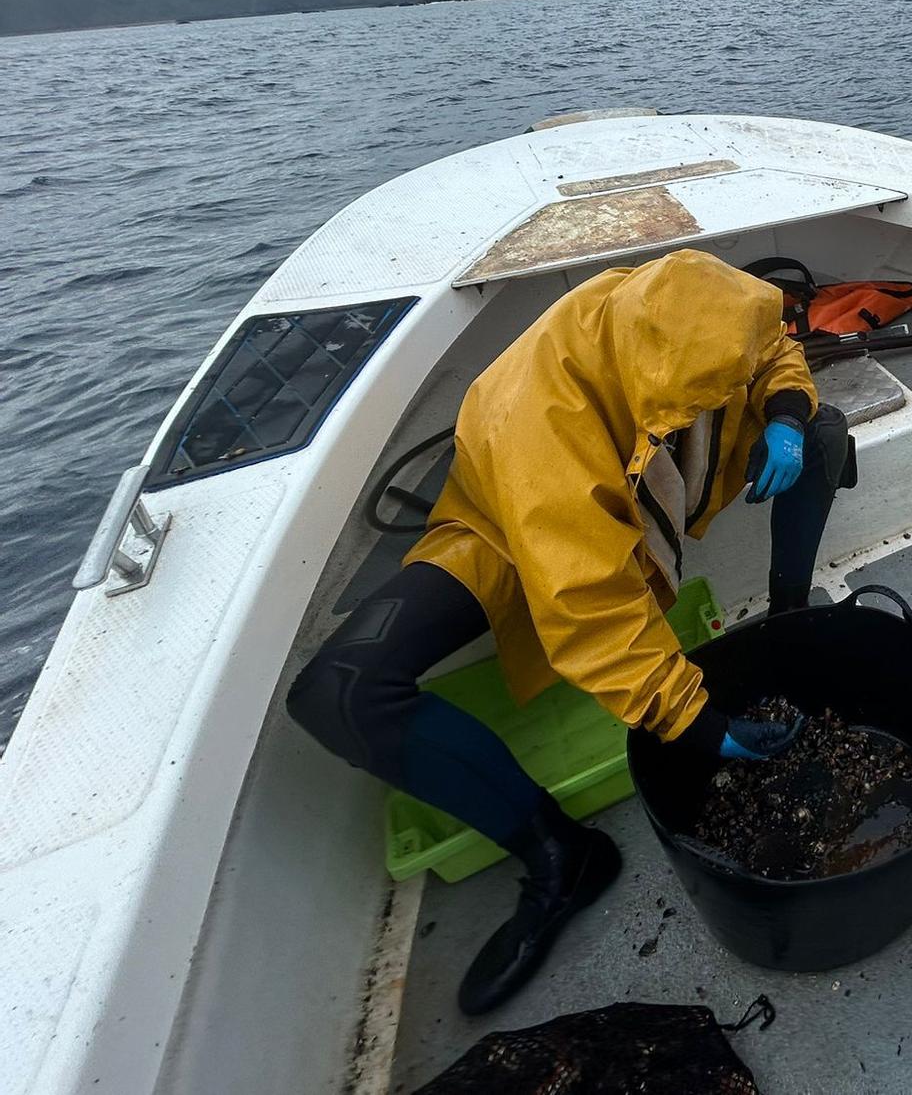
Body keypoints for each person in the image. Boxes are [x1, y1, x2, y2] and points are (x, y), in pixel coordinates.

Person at [287, 250, 855, 1015]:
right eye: (703, 396)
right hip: (502, 533)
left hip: (635, 483)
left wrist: (786, 416)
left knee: (825, 430)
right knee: (339, 692)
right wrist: (693, 721)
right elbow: (589, 599)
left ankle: (793, 621)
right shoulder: (539, 417)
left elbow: (772, 346)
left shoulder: (683, 297)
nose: (726, 393)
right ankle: (560, 855)